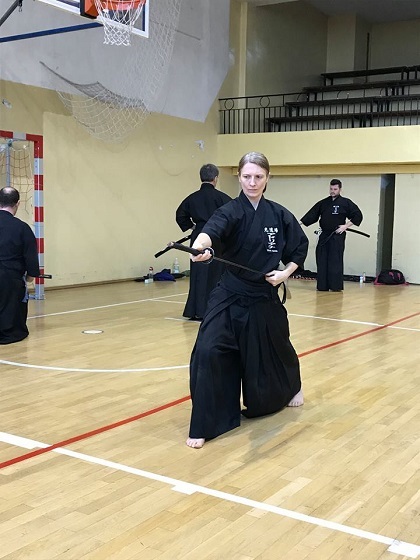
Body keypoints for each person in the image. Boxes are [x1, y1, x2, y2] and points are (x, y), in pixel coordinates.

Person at [185, 152, 309, 448]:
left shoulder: (279, 214)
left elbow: (299, 248)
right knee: (208, 350)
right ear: (238, 177)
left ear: (267, 178)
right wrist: (200, 248)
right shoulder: (229, 211)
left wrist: (284, 274)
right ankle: (208, 422)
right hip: (230, 293)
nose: (252, 182)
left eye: (258, 177)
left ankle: (291, 388)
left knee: (278, 347)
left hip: (264, 294)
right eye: (246, 176)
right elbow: (208, 234)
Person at [176, 164, 232, 320]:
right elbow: (232, 217)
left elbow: (180, 215)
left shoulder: (192, 198)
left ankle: (195, 310)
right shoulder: (223, 198)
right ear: (216, 178)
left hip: (198, 236)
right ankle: (214, 309)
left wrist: (193, 226)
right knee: (217, 274)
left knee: (198, 274)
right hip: (217, 238)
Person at [300, 179, 363, 292]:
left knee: (335, 260)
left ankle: (335, 286)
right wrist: (298, 223)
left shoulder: (346, 203)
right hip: (324, 234)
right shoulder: (324, 203)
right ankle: (322, 286)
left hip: (337, 235)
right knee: (321, 258)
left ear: (340, 189)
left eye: (335, 189)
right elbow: (312, 214)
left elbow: (357, 215)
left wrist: (345, 226)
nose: (332, 191)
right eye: (331, 189)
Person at [0, 187, 40, 344]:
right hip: (11, 279)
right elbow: (31, 261)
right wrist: (29, 277)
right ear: (17, 203)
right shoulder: (22, 228)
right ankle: (10, 332)